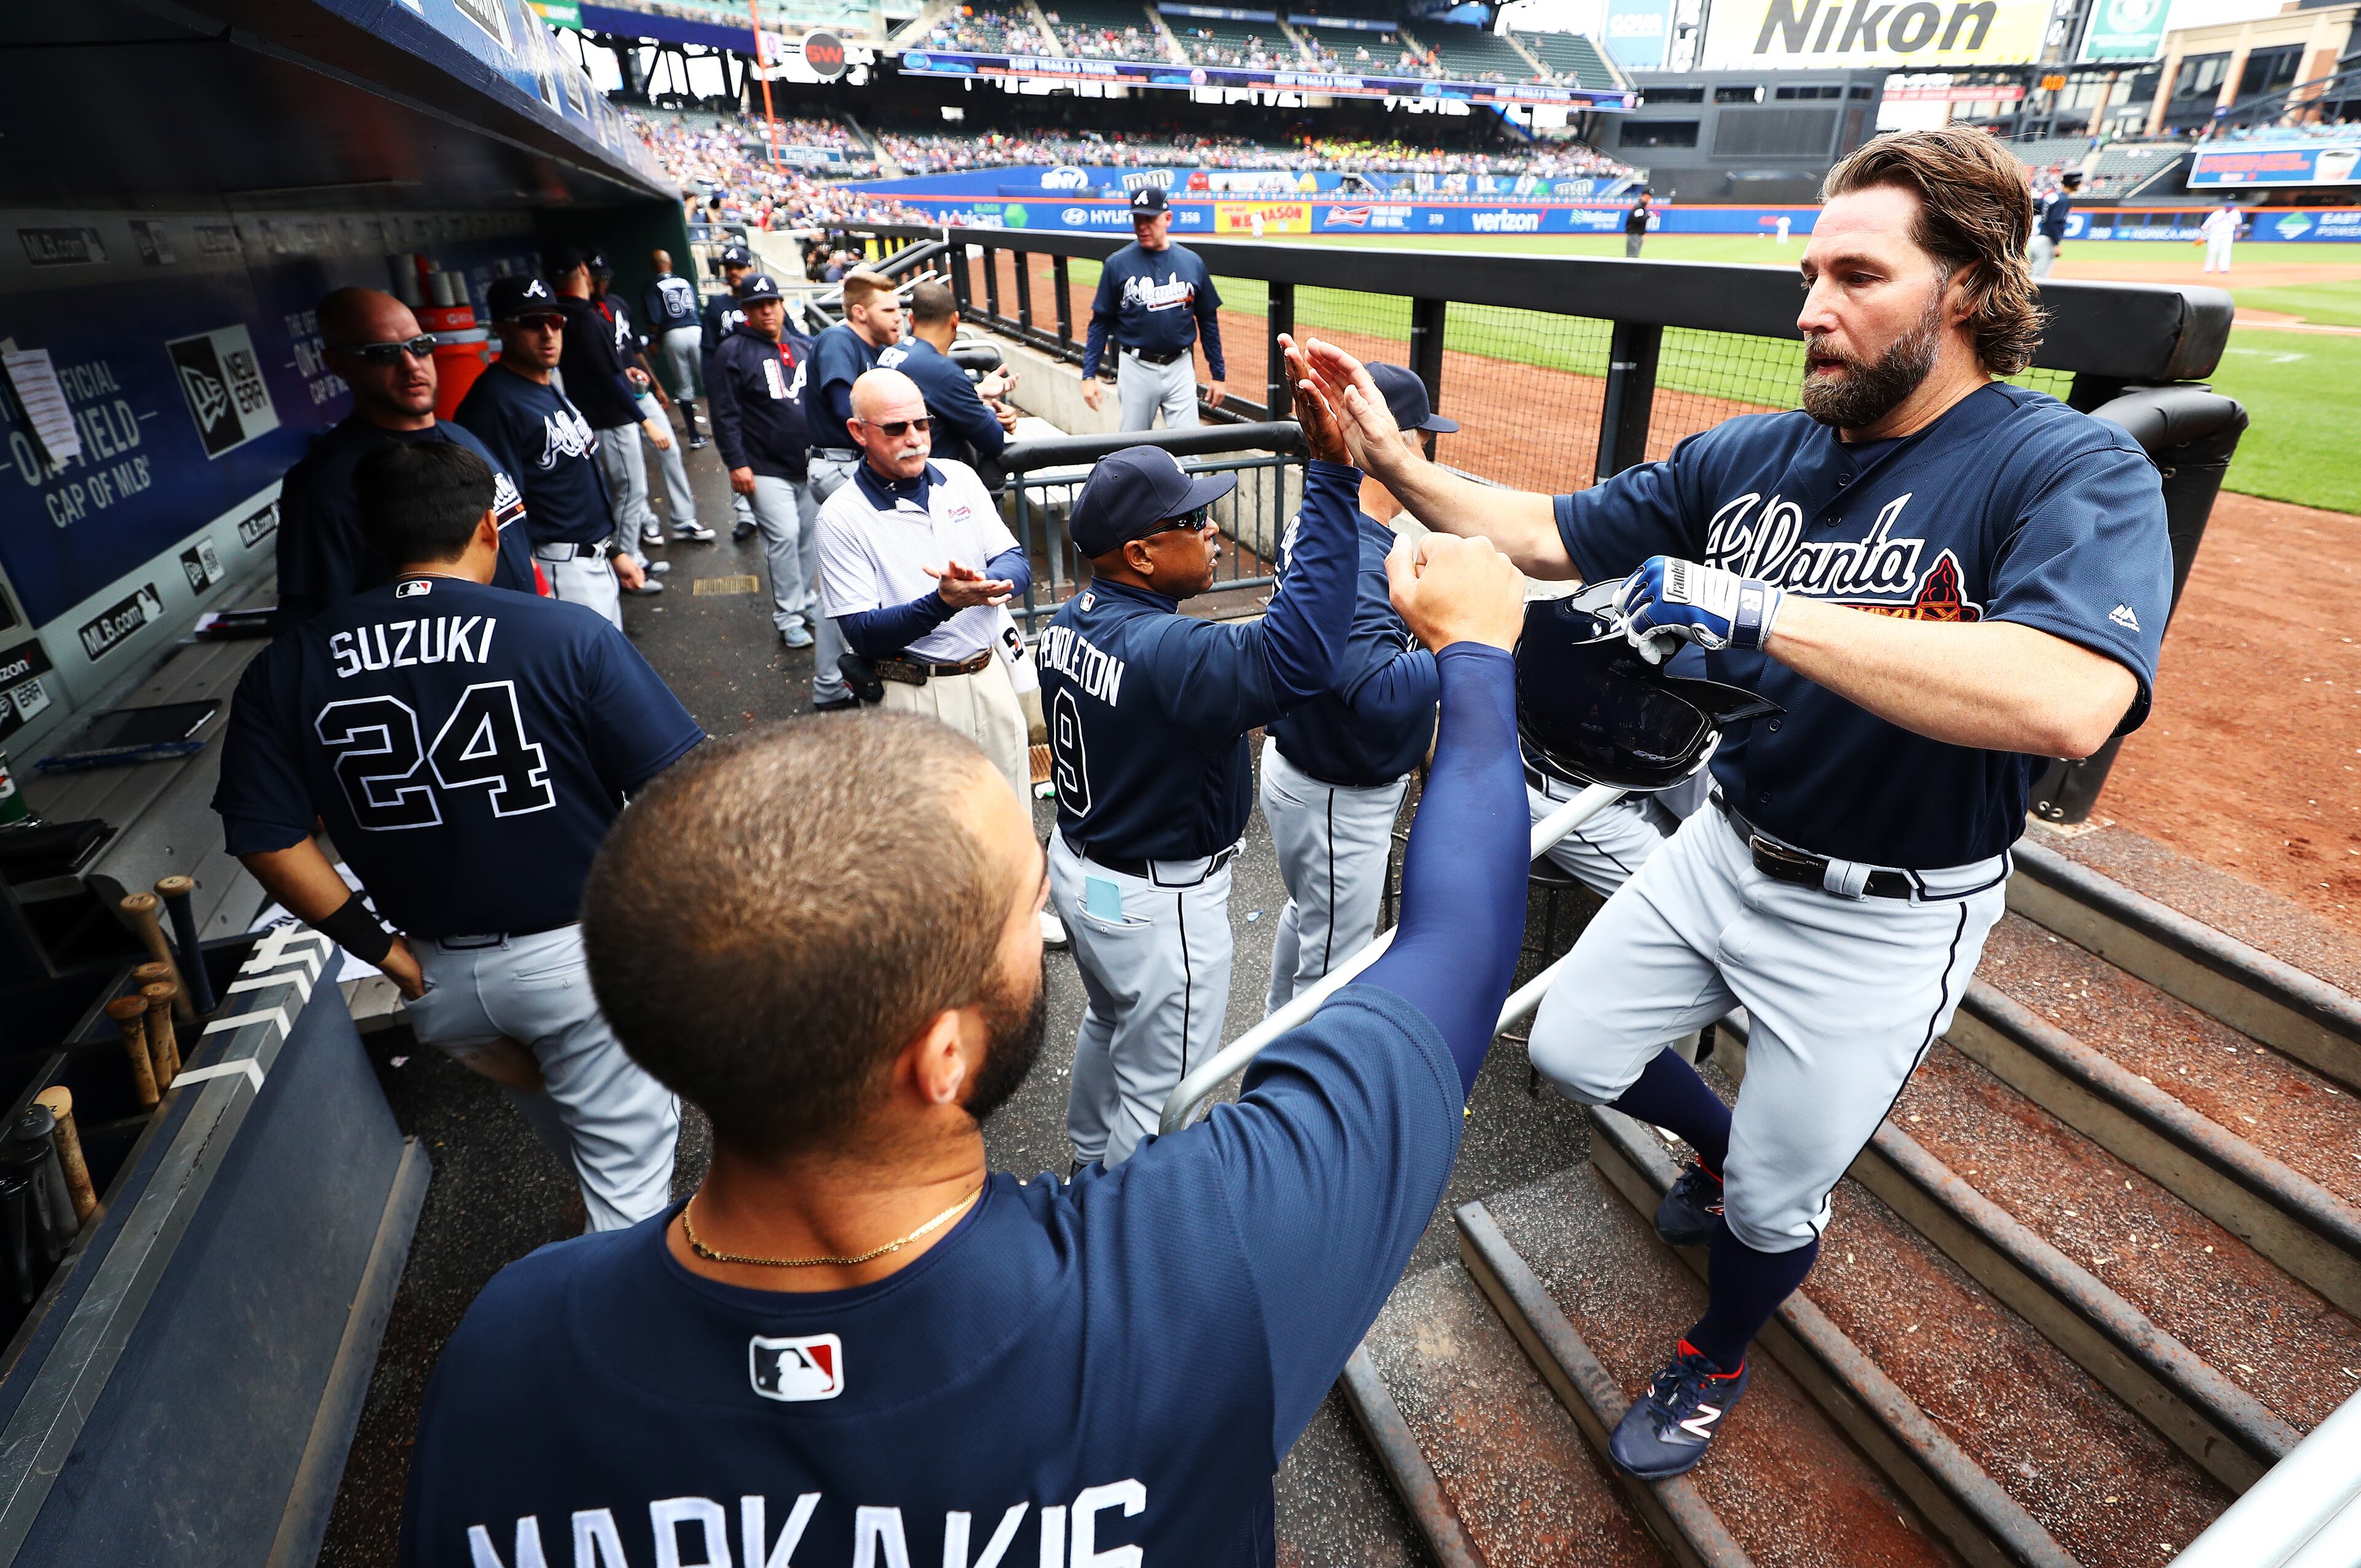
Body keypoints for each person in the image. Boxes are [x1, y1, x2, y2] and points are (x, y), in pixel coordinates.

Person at [394, 507, 1535, 1568]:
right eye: (1014, 907)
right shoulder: (1194, 1272)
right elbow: (1458, 942)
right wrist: (1477, 657)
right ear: (941, 1059)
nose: (1040, 902)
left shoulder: (511, 1348)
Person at [1294, 127, 2171, 1478]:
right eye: (1812, 272)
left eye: (1857, 277)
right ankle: (1720, 1150)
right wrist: (1387, 456)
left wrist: (1758, 606)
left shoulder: (2065, 470)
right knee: (1576, 1051)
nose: (1811, 308)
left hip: (1892, 912)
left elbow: (2067, 699)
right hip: (1726, 846)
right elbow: (1545, 530)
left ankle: (1719, 1349)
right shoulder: (1755, 452)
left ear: (1969, 291)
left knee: (1778, 1201)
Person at [213, 441, 703, 1235]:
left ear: (373, 538)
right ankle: (614, 1342)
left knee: (588, 1154)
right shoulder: (565, 634)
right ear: (489, 525)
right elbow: (685, 792)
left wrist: (386, 954)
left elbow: (267, 839)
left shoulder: (288, 664)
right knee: (631, 1206)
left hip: (441, 984)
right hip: (580, 961)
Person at [1040, 338, 1362, 1170]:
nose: (1211, 527)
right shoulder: (1167, 654)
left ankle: (1084, 1159)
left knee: (1110, 1018)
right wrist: (1331, 476)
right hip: (1158, 906)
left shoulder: (1068, 621)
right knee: (1163, 1093)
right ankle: (1120, 1236)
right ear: (1141, 555)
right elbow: (1300, 659)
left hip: (1084, 876)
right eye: (1190, 520)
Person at [1259, 362, 1441, 1015]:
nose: (1422, 452)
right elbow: (1378, 693)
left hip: (1300, 767)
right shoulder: (1365, 550)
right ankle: (1295, 1108)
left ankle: (1265, 1055)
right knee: (1334, 969)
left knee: (1308, 919)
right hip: (1335, 794)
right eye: (1419, 436)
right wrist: (1452, 639)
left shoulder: (1325, 520)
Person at [815, 368, 1037, 789]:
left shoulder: (960, 477)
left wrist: (983, 583)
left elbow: (1015, 562)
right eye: (896, 428)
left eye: (922, 424)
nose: (914, 438)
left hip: (990, 676)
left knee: (1009, 828)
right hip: (912, 693)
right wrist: (945, 602)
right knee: (931, 844)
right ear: (858, 433)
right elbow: (862, 632)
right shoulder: (840, 517)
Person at [274, 287, 542, 632]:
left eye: (420, 346)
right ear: (338, 364)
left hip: (527, 650)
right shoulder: (327, 483)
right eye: (383, 354)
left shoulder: (463, 439)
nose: (411, 366)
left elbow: (513, 542)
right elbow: (310, 626)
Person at [454, 277, 654, 628]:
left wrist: (614, 551)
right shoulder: (493, 404)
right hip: (557, 569)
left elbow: (576, 490)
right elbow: (498, 515)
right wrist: (535, 585)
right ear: (501, 329)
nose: (548, 333)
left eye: (555, 321)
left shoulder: (544, 383)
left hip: (591, 560)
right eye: (532, 323)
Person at [707, 273, 839, 695]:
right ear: (745, 310)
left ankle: (805, 604)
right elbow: (724, 414)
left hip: (806, 464)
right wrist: (735, 463)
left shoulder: (803, 346)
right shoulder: (733, 351)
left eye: (773, 302)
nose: (767, 310)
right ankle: (788, 617)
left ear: (782, 305)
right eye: (757, 304)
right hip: (762, 466)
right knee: (782, 537)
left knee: (807, 538)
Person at [554, 248, 695, 584]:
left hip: (602, 414)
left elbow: (612, 367)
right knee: (630, 492)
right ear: (584, 274)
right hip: (609, 417)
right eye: (594, 276)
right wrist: (644, 419)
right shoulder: (582, 315)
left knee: (628, 491)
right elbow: (606, 376)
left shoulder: (577, 312)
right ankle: (627, 564)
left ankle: (634, 558)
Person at [590, 251, 710, 550]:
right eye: (597, 277)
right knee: (629, 474)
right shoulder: (580, 315)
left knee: (669, 449)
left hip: (638, 391)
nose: (602, 283)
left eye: (606, 277)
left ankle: (683, 521)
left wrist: (657, 385)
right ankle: (644, 521)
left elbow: (634, 350)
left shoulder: (617, 305)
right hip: (609, 401)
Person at [1080, 186, 1227, 432]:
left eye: (1149, 219)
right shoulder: (1117, 264)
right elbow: (1100, 322)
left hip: (1181, 366)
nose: (1142, 226)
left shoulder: (1192, 262)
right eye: (1137, 219)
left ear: (1167, 218)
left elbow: (1208, 320)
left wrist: (1218, 374)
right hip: (1136, 367)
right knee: (1133, 449)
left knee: (1190, 450)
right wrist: (1088, 375)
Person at [875, 279, 1019, 472]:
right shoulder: (942, 371)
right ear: (955, 320)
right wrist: (991, 413)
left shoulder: (892, 352)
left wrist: (977, 393)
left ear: (911, 319)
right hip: (922, 483)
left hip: (885, 471)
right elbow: (993, 441)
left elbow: (932, 398)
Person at [809, 271, 905, 507]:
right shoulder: (838, 340)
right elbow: (846, 408)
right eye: (888, 311)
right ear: (860, 313)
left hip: (857, 462)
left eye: (898, 309)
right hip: (839, 465)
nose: (898, 318)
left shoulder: (877, 349)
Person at [642, 247, 706, 448]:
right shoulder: (685, 282)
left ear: (654, 267)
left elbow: (654, 319)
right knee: (710, 382)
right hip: (696, 331)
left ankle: (695, 437)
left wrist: (654, 339)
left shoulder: (654, 285)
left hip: (674, 335)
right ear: (670, 264)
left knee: (685, 387)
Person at [2030, 168, 2079, 279]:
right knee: (2039, 279)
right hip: (2047, 241)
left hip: (2037, 239)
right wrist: (2057, 243)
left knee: (2031, 276)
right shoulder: (2063, 200)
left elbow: (2033, 210)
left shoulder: (2052, 196)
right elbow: (2055, 222)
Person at [2201, 201, 2242, 274]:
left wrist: (2239, 232)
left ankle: (2224, 269)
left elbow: (2238, 223)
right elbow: (2206, 225)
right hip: (2215, 234)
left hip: (2228, 234)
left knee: (2226, 251)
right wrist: (2203, 234)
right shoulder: (2218, 213)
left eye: (2231, 208)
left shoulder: (2236, 213)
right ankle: (2208, 269)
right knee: (2212, 251)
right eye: (2228, 208)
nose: (2229, 209)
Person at [1625, 189, 1653, 258]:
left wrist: (1642, 234)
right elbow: (1636, 220)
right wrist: (1647, 216)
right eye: (1649, 196)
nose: (1650, 199)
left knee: (1635, 257)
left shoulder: (1642, 207)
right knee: (1632, 257)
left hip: (1637, 235)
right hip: (1634, 235)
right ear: (1644, 196)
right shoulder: (1639, 207)